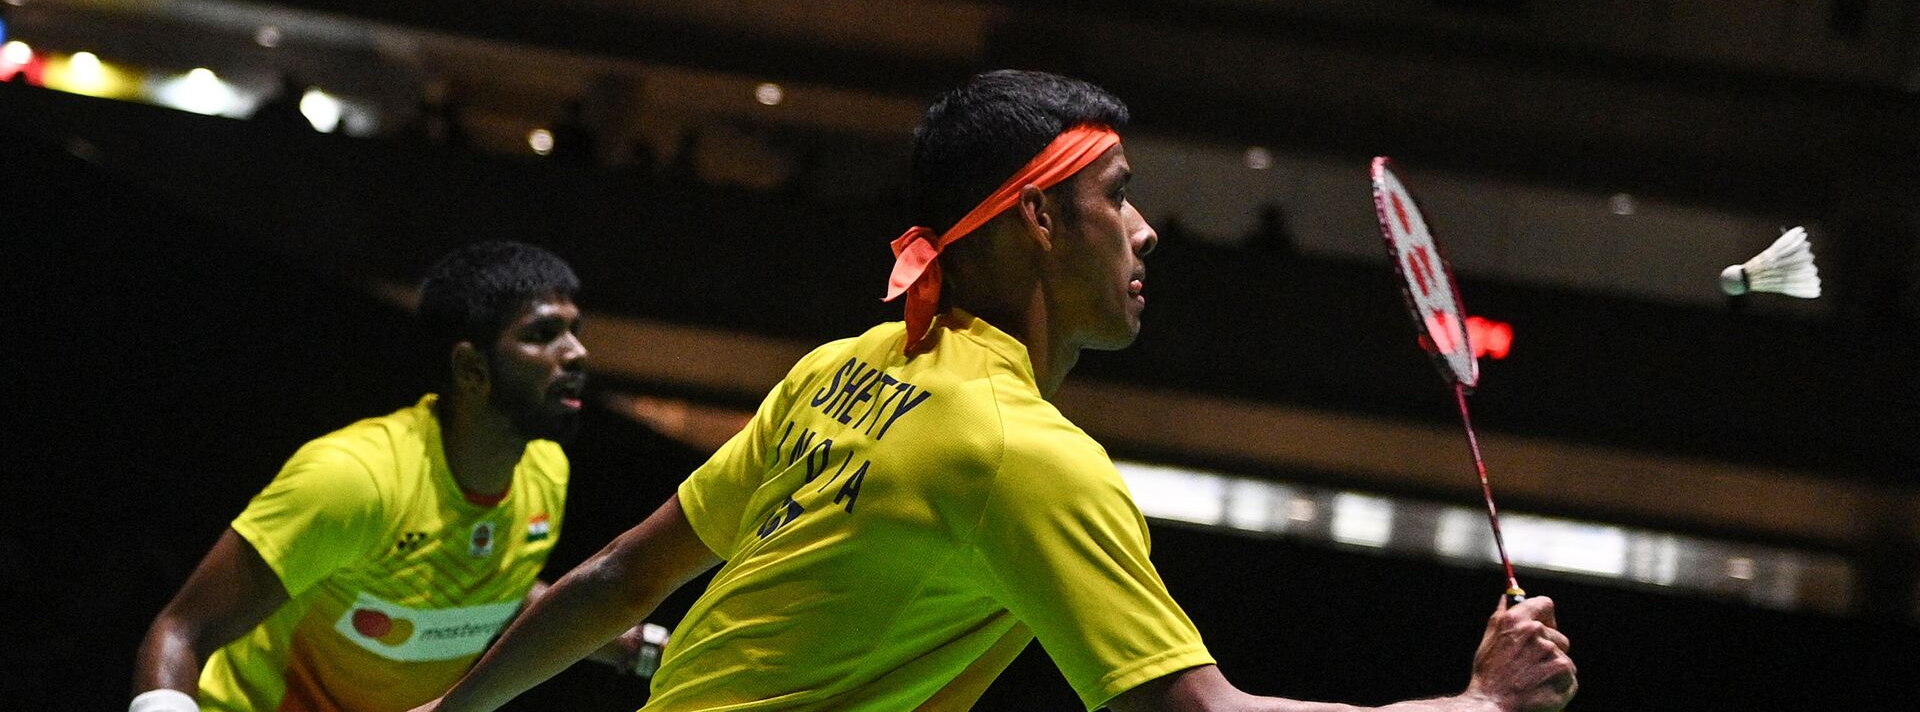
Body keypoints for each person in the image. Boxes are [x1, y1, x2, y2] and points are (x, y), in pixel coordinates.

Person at [416, 71, 1578, 712]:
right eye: (1116, 196)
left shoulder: (847, 366)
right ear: (1035, 217)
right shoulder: (1023, 453)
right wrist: (1478, 706)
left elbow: (623, 573)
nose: (1146, 230)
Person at [130, 241, 662, 712]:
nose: (577, 353)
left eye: (575, 331)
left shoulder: (545, 473)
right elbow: (181, 632)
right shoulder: (353, 480)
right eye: (543, 334)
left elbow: (484, 580)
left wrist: (601, 629)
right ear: (470, 368)